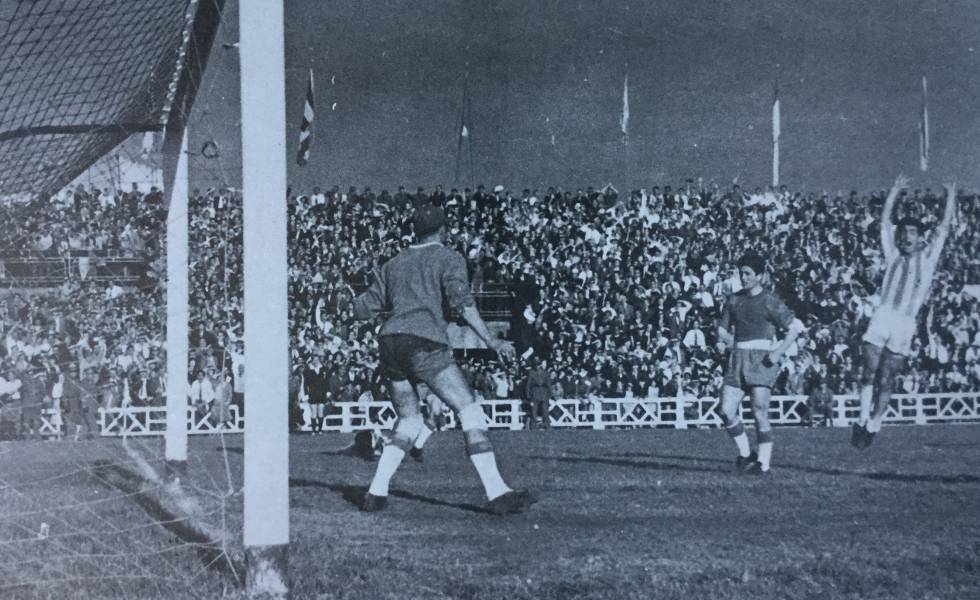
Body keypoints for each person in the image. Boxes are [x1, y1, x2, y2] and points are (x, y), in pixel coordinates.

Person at [351, 204, 535, 514]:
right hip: (424, 340)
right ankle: (498, 493)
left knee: (409, 419)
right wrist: (491, 341)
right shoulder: (449, 258)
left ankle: (375, 493)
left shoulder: (392, 264)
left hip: (390, 341)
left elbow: (362, 308)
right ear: (443, 229)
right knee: (469, 409)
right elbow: (462, 304)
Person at [852, 176, 957, 448]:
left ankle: (875, 423)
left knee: (887, 377)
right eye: (904, 232)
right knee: (868, 372)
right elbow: (885, 224)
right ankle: (862, 420)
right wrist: (894, 192)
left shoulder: (929, 258)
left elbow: (944, 228)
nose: (906, 237)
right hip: (883, 315)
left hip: (904, 323)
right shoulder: (893, 255)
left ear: (921, 238)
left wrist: (950, 196)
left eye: (912, 233)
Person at [716, 252, 805, 474]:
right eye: (741, 273)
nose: (743, 277)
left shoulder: (770, 301)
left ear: (759, 275)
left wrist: (778, 352)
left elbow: (796, 328)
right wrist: (724, 341)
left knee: (759, 412)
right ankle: (746, 454)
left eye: (747, 273)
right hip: (737, 359)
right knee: (726, 411)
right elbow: (721, 329)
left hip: (762, 361)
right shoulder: (734, 299)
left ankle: (763, 464)